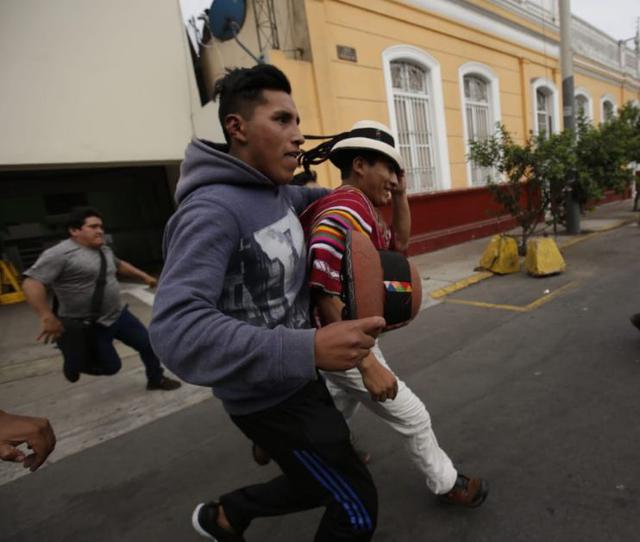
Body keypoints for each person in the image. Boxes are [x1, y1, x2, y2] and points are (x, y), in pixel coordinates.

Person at [149, 64, 385, 541]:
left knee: (317, 480)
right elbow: (176, 331)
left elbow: (326, 198)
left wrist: (370, 192)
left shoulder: (275, 192)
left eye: (297, 122)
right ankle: (229, 512)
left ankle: (227, 515)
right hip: (266, 399)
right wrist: (307, 349)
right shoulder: (211, 212)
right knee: (357, 504)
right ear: (237, 128)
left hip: (298, 379)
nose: (297, 136)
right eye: (282, 121)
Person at [298, 120, 489, 508]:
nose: (395, 177)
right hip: (343, 338)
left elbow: (398, 244)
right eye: (389, 168)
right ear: (361, 165)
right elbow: (323, 289)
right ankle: (448, 482)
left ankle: (292, 444)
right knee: (412, 415)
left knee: (339, 401)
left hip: (341, 340)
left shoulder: (362, 207)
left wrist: (401, 195)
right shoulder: (343, 209)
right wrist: (367, 362)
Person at [22, 207, 181, 391]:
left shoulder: (102, 249)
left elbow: (119, 265)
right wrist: (46, 316)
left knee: (149, 344)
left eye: (101, 227)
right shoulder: (59, 254)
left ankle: (156, 379)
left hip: (117, 315)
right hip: (89, 324)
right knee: (111, 367)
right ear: (74, 231)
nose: (100, 231)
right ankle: (75, 360)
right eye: (93, 227)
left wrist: (145, 277)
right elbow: (32, 282)